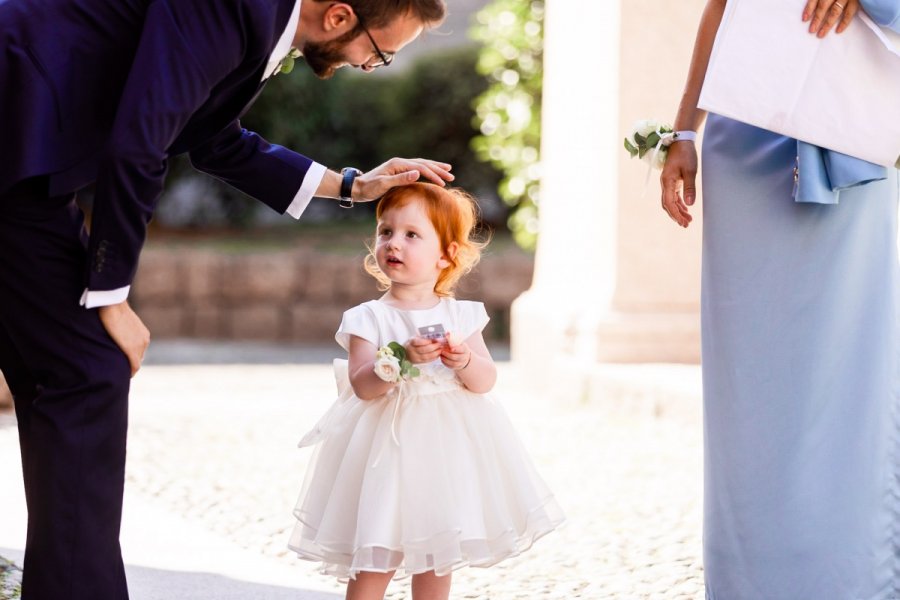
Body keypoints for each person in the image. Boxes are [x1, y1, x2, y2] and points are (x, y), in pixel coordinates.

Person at [0, 0, 454, 598]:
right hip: (16, 144)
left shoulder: (255, 20)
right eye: (379, 52)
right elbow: (139, 143)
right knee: (87, 368)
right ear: (340, 17)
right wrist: (109, 295)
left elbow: (213, 137)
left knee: (76, 370)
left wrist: (352, 185)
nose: (369, 65)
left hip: (23, 173)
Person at [660, 0, 900, 598]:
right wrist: (685, 128)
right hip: (743, 140)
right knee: (750, 377)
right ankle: (750, 580)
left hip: (849, 138)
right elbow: (721, 8)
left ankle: (851, 578)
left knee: (849, 365)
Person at [287, 182, 564, 600]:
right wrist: (399, 360)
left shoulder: (461, 315)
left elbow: (486, 380)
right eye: (386, 232)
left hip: (444, 452)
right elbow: (362, 386)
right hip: (385, 451)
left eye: (411, 235)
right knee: (375, 551)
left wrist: (464, 362)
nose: (393, 243)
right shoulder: (369, 318)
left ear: (446, 254)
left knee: (438, 553)